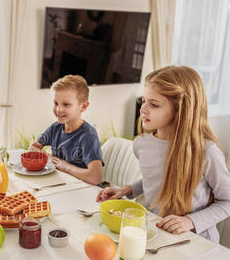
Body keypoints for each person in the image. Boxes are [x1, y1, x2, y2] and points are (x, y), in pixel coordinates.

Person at [96, 66, 230, 243]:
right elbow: (157, 178)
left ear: (181, 110)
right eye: (144, 100)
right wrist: (127, 189)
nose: (142, 109)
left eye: (154, 104)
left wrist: (190, 221)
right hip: (156, 233)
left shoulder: (207, 152)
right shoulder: (142, 144)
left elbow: (227, 201)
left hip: (196, 242)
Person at [30, 75, 103, 185]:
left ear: (83, 106)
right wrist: (49, 158)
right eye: (56, 103)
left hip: (85, 190)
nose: (59, 109)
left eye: (66, 104)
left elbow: (95, 177)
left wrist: (65, 166)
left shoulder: (88, 136)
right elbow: (33, 147)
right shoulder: (55, 128)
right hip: (63, 184)